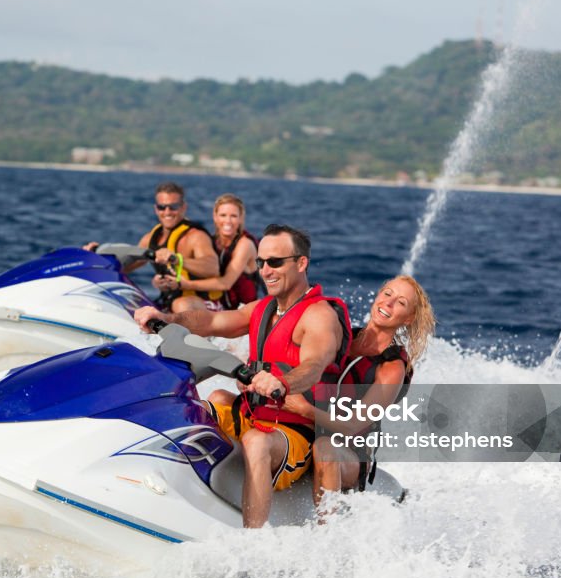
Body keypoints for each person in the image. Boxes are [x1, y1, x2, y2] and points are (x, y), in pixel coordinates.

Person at [134, 224, 351, 527]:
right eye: (261, 262)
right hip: (252, 413)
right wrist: (166, 317)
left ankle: (252, 544)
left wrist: (283, 383)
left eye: (275, 262)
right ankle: (149, 489)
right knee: (194, 405)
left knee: (256, 442)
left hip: (293, 432)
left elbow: (314, 365)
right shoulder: (263, 308)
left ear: (301, 263)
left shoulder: (320, 317)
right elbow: (211, 321)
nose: (265, 271)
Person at [281, 275, 435, 507]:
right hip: (306, 431)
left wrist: (304, 409)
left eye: (401, 303)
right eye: (387, 293)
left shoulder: (391, 368)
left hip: (350, 454)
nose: (388, 303)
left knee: (325, 448)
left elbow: (353, 426)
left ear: (409, 318)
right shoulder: (342, 336)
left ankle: (327, 532)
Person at [86, 182, 220, 312]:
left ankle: (189, 334)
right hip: (169, 301)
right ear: (156, 209)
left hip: (203, 304)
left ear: (183, 207)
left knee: (181, 305)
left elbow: (212, 268)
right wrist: (95, 257)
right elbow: (127, 267)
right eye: (162, 207)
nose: (167, 212)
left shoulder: (195, 236)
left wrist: (176, 259)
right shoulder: (150, 238)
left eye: (173, 207)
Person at [163, 193, 263, 310]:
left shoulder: (245, 244)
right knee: (176, 303)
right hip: (220, 305)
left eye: (234, 216)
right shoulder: (212, 240)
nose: (228, 221)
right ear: (215, 217)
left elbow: (226, 283)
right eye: (223, 215)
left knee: (182, 305)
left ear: (241, 218)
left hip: (242, 310)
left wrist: (186, 285)